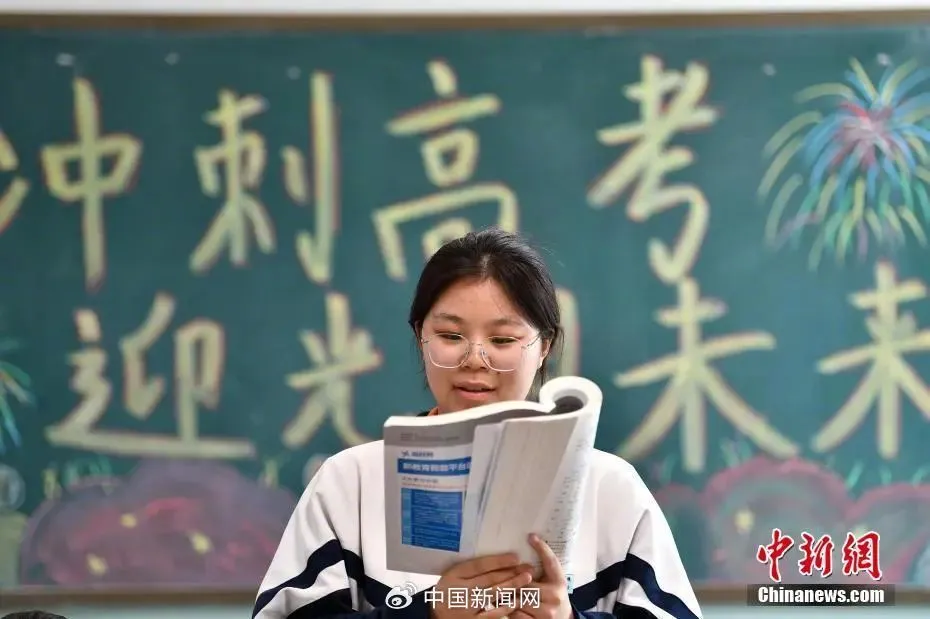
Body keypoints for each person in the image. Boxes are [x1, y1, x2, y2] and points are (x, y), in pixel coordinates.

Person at [252, 227, 701, 619]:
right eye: (450, 336)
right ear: (420, 335)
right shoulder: (349, 483)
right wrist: (430, 613)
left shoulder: (611, 488)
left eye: (503, 340)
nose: (474, 360)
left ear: (543, 347)